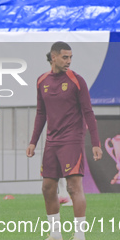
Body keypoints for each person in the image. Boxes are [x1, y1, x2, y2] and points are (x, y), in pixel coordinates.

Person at [26, 41, 102, 240]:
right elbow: (41, 113)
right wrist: (33, 141)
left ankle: (80, 237)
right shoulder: (42, 80)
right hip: (52, 142)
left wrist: (95, 142)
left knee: (73, 186)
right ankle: (55, 236)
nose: (68, 61)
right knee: (47, 187)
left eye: (70, 57)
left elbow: (88, 112)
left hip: (72, 139)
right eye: (65, 57)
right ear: (53, 57)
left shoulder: (77, 81)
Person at [45, 51, 72, 207]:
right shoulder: (46, 81)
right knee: (57, 164)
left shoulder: (71, 80)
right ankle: (63, 193)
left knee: (69, 164)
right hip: (55, 130)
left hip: (70, 130)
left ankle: (70, 194)